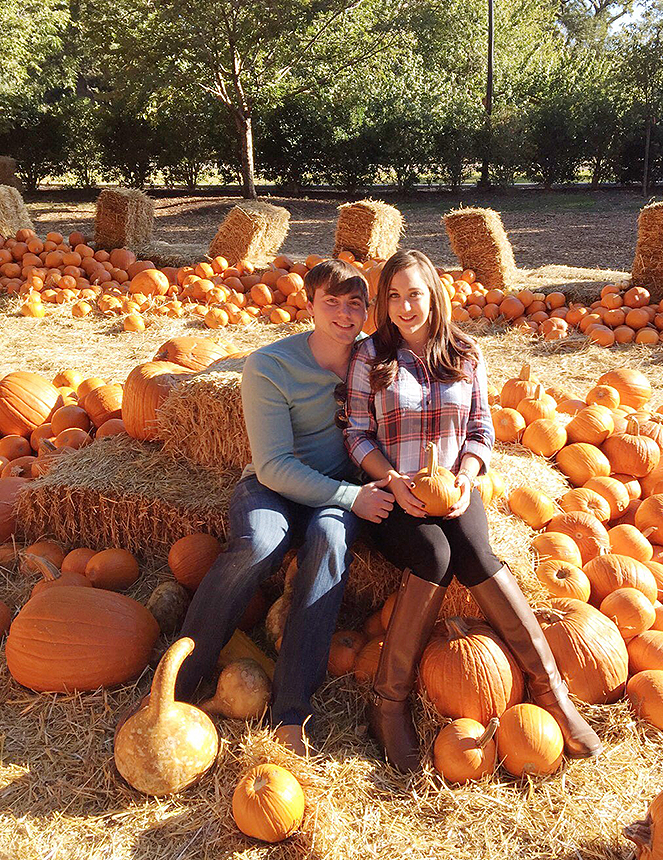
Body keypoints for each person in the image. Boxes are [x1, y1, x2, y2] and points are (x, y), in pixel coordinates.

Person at [343, 249, 602, 773]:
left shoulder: (466, 352)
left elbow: (482, 431)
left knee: (474, 549)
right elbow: (356, 433)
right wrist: (389, 477)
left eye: (414, 293)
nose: (404, 306)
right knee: (434, 557)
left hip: (455, 488)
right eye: (392, 296)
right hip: (394, 493)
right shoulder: (369, 356)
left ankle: (551, 692)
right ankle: (388, 705)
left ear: (434, 294)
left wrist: (465, 478)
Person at [174, 259, 394, 755]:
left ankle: (292, 708)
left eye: (355, 303)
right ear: (309, 304)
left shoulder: (373, 361)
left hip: (337, 489)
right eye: (331, 302)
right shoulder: (269, 366)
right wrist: (353, 496)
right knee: (260, 544)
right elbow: (272, 466)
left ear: (368, 311)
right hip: (273, 488)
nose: (343, 313)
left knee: (329, 540)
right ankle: (183, 674)